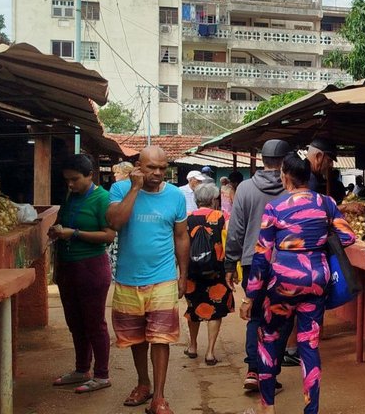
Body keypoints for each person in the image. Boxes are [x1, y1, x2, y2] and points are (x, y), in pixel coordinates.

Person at [242, 152, 356, 414]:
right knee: (309, 345)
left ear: (285, 176)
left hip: (282, 283)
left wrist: (251, 296)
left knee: (269, 339)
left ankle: (267, 407)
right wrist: (317, 244)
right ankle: (311, 410)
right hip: (317, 281)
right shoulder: (326, 203)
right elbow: (348, 237)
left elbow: (261, 254)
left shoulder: (275, 208)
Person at [107, 146, 190, 414]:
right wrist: (134, 189)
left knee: (161, 338)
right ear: (138, 166)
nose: (157, 173)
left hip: (163, 277)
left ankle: (159, 397)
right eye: (151, 167)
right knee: (137, 338)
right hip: (128, 279)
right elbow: (116, 223)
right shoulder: (120, 190)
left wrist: (183, 274)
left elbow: (181, 236)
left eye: (162, 168)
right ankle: (143, 385)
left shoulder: (175, 196)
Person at [224, 139, 290, 391]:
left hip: (253, 263)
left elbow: (236, 230)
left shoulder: (245, 189)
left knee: (255, 317)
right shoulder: (291, 189)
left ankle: (253, 369)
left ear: (261, 160)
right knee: (282, 318)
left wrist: (230, 263)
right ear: (285, 162)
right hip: (285, 264)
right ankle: (270, 372)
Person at [49, 154, 117, 393]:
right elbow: (63, 222)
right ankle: (81, 369)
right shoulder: (71, 196)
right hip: (68, 267)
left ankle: (102, 374)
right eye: (67, 180)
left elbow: (109, 235)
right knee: (75, 322)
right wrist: (57, 230)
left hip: (92, 268)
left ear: (90, 176)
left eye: (75, 179)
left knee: (94, 323)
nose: (70, 184)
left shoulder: (103, 199)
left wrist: (74, 233)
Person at [183, 183, 234, 366]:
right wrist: (232, 268)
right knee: (215, 309)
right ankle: (210, 352)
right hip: (217, 272)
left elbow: (180, 245)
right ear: (214, 200)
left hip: (191, 272)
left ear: (196, 200)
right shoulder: (222, 217)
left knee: (193, 308)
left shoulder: (186, 218)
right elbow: (230, 243)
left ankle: (193, 346)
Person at [108, 161, 135, 278]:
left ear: (126, 174)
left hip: (121, 227)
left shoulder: (117, 187)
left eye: (117, 172)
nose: (115, 175)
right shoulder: (140, 186)